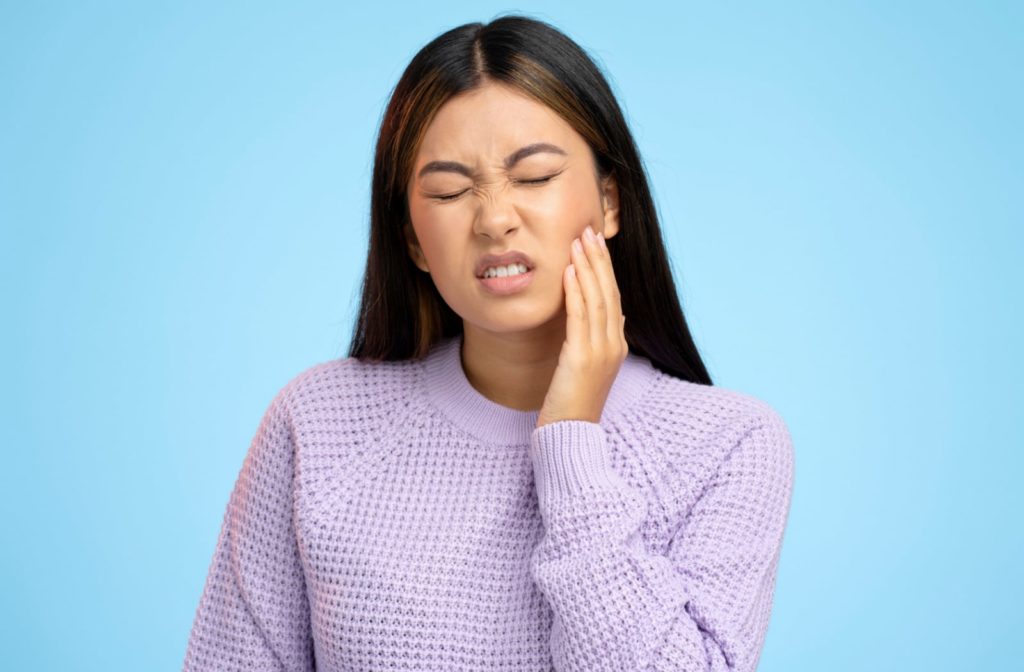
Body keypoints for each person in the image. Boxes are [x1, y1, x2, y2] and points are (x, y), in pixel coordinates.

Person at [182, 14, 795, 672]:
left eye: (533, 178)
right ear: (413, 239)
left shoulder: (731, 444)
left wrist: (570, 443)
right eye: (449, 190)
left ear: (610, 202)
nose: (495, 218)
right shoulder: (317, 423)